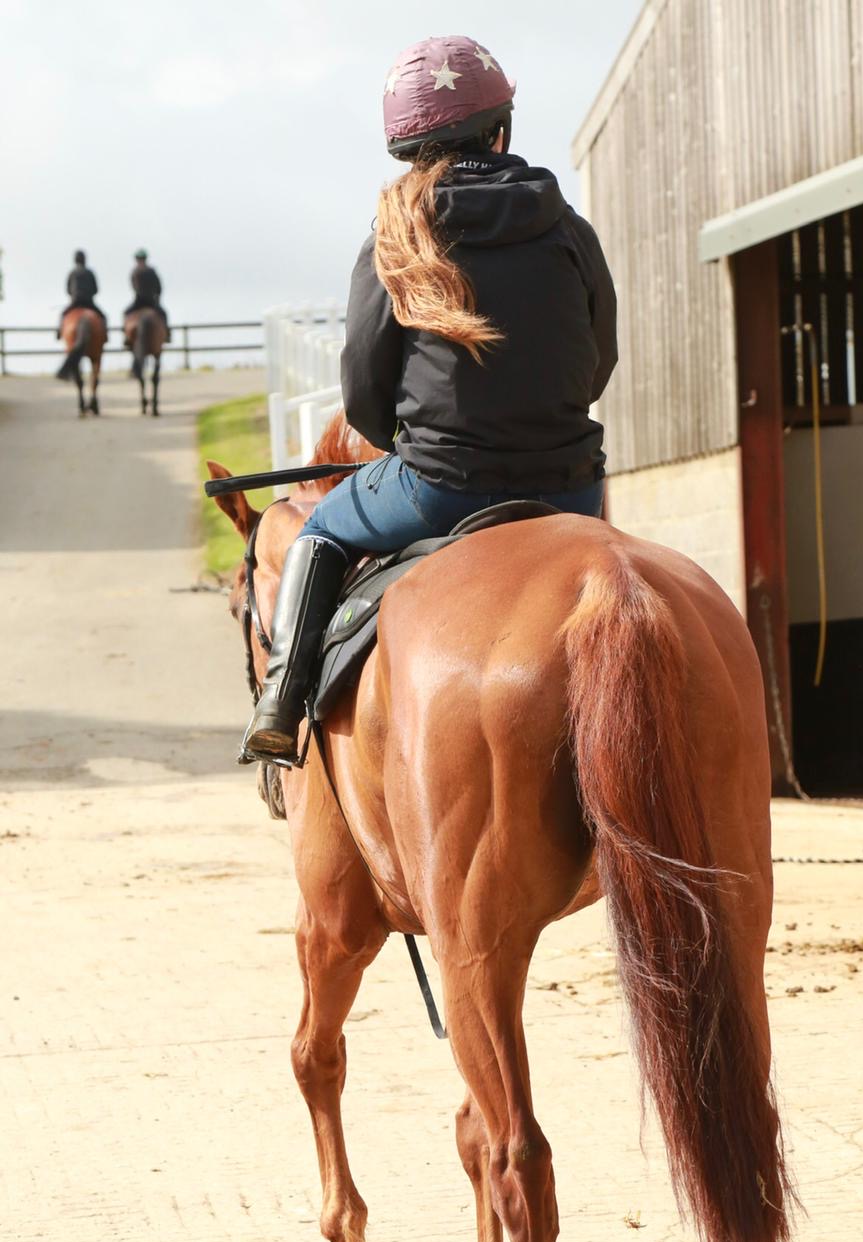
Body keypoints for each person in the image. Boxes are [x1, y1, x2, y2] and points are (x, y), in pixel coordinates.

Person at [242, 34, 617, 763]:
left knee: (316, 533)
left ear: (410, 153)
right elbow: (598, 364)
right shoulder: (570, 228)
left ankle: (281, 706)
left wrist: (412, 443)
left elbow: (363, 393)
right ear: (501, 129)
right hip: (571, 490)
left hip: (437, 487)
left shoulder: (397, 234)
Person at [56, 251, 108, 339]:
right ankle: (105, 335)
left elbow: (68, 290)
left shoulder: (72, 273)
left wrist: (74, 295)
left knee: (63, 314)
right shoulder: (90, 272)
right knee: (103, 316)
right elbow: (96, 290)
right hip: (89, 302)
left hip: (75, 301)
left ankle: (59, 333)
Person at [124, 249, 170, 342]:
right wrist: (157, 298)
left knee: (126, 313)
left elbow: (134, 286)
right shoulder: (152, 271)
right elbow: (159, 287)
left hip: (139, 301)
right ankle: (167, 335)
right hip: (151, 301)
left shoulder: (135, 272)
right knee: (163, 314)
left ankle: (126, 337)